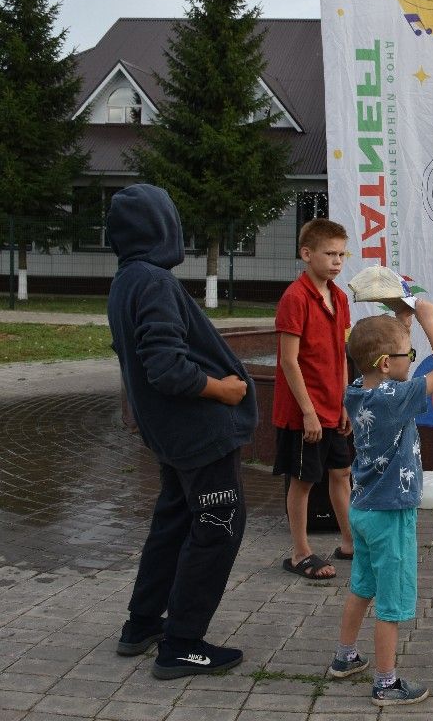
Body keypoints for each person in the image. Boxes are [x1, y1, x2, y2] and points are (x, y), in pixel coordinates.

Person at [106, 183, 255, 679]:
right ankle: (182, 644)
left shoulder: (127, 279)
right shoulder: (154, 283)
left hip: (172, 437)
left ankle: (142, 623)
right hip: (198, 434)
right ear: (162, 227)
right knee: (217, 529)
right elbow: (166, 367)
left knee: (172, 521)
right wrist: (223, 390)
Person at [324, 282, 433, 707]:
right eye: (409, 356)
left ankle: (345, 657)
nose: (413, 361)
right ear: (387, 363)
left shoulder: (358, 391)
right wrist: (431, 320)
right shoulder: (397, 396)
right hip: (391, 514)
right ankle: (386, 683)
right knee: (393, 602)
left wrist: (403, 319)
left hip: (363, 510)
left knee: (362, 586)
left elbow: (390, 356)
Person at [274, 219, 353, 580]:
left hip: (333, 407)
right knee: (303, 481)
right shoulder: (295, 297)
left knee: (342, 472)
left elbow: (340, 355)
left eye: (341, 254)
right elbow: (289, 361)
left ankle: (350, 543)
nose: (337, 261)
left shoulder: (339, 297)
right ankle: (300, 552)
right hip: (305, 411)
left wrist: (345, 402)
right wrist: (308, 412)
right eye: (329, 253)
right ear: (307, 254)